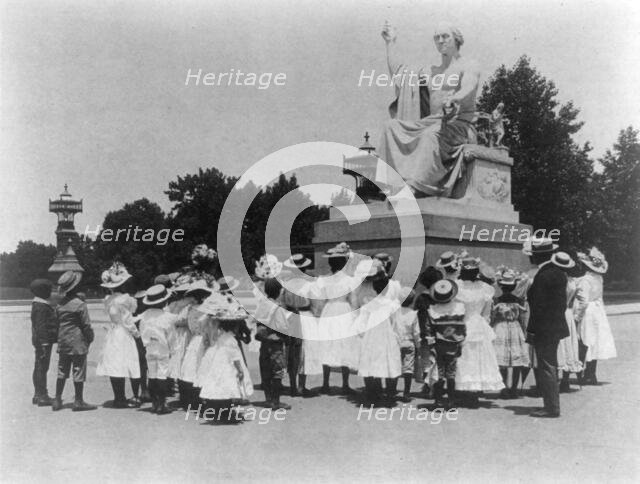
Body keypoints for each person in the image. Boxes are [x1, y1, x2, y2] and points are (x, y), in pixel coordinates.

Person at [376, 21, 480, 198]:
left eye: (445, 36)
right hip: (432, 122)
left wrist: (455, 98)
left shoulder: (468, 65)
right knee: (390, 126)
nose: (440, 41)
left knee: (430, 136)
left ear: (457, 40)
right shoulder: (431, 71)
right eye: (437, 37)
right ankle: (393, 185)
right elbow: (400, 75)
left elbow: (469, 86)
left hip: (459, 125)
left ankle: (415, 186)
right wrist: (390, 43)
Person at [526, 237, 568, 418]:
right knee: (550, 364)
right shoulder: (558, 273)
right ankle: (551, 404)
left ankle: (551, 407)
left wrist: (532, 329)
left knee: (546, 366)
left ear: (536, 256)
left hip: (544, 328)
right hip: (555, 326)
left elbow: (539, 306)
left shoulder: (542, 276)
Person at [454, 257, 504, 406]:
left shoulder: (460, 287)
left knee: (468, 358)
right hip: (475, 323)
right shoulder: (483, 288)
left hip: (466, 323)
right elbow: (487, 314)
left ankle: (467, 391)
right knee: (474, 358)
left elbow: (485, 312)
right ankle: (471, 391)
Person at [197, 294, 253, 422]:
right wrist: (239, 370)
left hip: (218, 365)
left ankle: (217, 412)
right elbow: (235, 358)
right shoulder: (231, 339)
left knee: (220, 389)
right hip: (228, 367)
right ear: (234, 326)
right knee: (229, 391)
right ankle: (227, 414)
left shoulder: (221, 337)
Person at [352, 259, 401, 403]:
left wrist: (363, 337)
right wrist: (398, 338)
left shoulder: (368, 305)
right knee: (390, 363)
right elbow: (397, 325)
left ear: (374, 288)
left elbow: (360, 326)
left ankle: (373, 394)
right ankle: (391, 395)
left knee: (370, 364)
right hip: (388, 338)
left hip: (371, 338)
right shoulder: (393, 305)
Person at [96, 263, 142, 408]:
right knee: (131, 361)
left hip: (114, 332)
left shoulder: (108, 300)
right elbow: (128, 321)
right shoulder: (125, 299)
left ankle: (119, 397)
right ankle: (134, 396)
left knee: (115, 364)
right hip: (124, 333)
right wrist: (137, 334)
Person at [315, 242, 359, 394]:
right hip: (344, 311)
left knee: (327, 345)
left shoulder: (323, 279)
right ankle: (345, 384)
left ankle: (326, 383)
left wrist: (319, 318)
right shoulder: (350, 279)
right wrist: (355, 319)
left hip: (329, 311)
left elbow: (320, 302)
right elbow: (353, 302)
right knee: (344, 345)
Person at [52, 271, 96, 412]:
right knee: (78, 370)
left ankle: (57, 399)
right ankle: (78, 401)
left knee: (62, 370)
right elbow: (86, 325)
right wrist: (90, 337)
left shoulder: (59, 304)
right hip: (78, 342)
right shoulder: (80, 304)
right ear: (75, 287)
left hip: (63, 340)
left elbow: (57, 322)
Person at [282, 254, 323, 397]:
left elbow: (283, 303)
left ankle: (293, 386)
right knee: (303, 351)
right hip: (305, 318)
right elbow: (316, 305)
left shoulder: (287, 284)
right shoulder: (310, 284)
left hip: (291, 318)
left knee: (292, 350)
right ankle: (301, 386)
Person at [575, 247, 617, 385]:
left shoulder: (585, 280)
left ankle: (581, 371)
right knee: (594, 341)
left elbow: (584, 301)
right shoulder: (598, 278)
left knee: (585, 340)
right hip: (597, 309)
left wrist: (577, 316)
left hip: (588, 311)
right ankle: (591, 373)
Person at [426, 279, 466, 408]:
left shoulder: (432, 310)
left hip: (438, 346)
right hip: (454, 345)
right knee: (451, 373)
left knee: (439, 373)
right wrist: (461, 342)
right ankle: (451, 400)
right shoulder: (459, 309)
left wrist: (431, 345)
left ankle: (438, 400)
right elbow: (462, 329)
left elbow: (429, 330)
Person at [253, 277, 291, 410]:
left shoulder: (262, 304)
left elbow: (257, 321)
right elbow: (283, 327)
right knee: (277, 372)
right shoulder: (277, 308)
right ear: (279, 291)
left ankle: (268, 399)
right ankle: (276, 401)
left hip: (264, 343)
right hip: (276, 344)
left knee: (266, 371)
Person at [490, 268, 529, 398]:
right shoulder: (519, 300)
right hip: (515, 328)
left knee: (503, 361)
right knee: (516, 359)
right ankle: (513, 389)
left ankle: (505, 388)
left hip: (500, 327)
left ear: (501, 286)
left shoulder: (497, 300)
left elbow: (493, 317)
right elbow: (522, 318)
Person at [139, 284, 177, 414]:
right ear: (164, 301)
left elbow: (142, 331)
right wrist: (173, 350)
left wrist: (146, 344)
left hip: (150, 347)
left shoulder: (144, 316)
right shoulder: (168, 317)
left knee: (152, 374)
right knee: (162, 375)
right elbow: (171, 336)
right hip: (162, 348)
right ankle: (162, 404)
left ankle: (154, 403)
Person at [179, 279, 214, 408]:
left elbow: (189, 325)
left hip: (195, 338)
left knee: (192, 367)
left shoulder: (191, 309)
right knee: (199, 366)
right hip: (202, 338)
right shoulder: (207, 310)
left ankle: (193, 398)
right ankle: (199, 398)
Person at [552, 252, 583, 392]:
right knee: (568, 344)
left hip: (557, 312)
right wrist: (576, 315)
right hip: (568, 313)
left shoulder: (556, 281)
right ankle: (565, 380)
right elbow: (582, 299)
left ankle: (556, 379)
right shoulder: (572, 282)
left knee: (558, 345)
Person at [414, 266, 443, 395]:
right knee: (435, 359)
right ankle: (433, 384)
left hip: (424, 332)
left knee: (426, 359)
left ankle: (427, 385)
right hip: (437, 331)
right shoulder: (440, 297)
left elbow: (418, 315)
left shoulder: (421, 298)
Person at [29, 278, 58, 406]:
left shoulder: (38, 304)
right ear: (43, 291)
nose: (51, 292)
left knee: (39, 367)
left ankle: (38, 394)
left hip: (40, 341)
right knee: (42, 367)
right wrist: (45, 342)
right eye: (49, 290)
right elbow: (41, 326)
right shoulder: (41, 306)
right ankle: (42, 395)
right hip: (43, 341)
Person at [392, 287, 420, 402]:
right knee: (408, 368)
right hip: (409, 342)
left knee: (395, 367)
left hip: (396, 342)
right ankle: (406, 392)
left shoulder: (394, 312)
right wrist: (418, 345)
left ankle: (392, 389)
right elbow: (416, 332)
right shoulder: (413, 314)